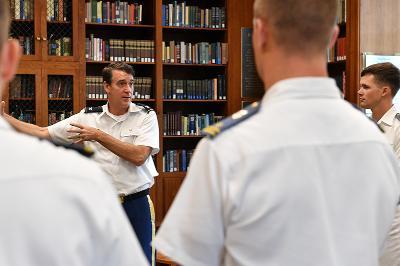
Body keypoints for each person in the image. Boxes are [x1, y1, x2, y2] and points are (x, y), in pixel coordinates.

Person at [154, 0, 400, 265]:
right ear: (332, 37)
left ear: (259, 33)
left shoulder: (228, 146)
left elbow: (189, 258)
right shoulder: (374, 140)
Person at [0, 1, 148, 265]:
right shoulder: (87, 117)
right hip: (104, 200)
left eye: (131, 84)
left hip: (135, 202)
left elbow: (139, 156)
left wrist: (99, 136)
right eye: (121, 84)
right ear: (106, 87)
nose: (128, 90)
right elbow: (44, 132)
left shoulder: (146, 116)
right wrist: (6, 118)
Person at [359, 62, 400, 266]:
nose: (359, 92)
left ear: (385, 91)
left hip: (393, 220)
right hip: (363, 216)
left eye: (366, 87)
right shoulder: (361, 126)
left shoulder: (398, 128)